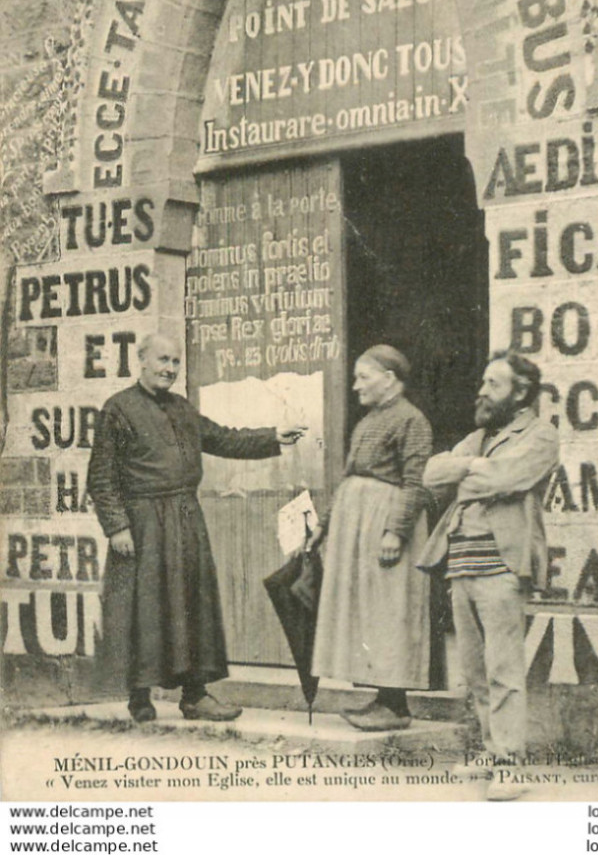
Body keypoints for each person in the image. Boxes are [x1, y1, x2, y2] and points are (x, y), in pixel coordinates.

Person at [87, 333, 305, 723]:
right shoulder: (117, 409)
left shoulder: (183, 409)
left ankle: (195, 696)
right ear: (141, 360)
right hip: (143, 523)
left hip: (186, 518)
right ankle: (139, 697)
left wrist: (273, 436)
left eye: (175, 362)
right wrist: (117, 526)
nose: (169, 369)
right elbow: (101, 478)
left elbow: (224, 438)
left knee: (193, 605)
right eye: (162, 360)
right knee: (144, 607)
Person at [419, 350, 559, 800]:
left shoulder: (540, 435)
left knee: (503, 669)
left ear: (520, 393)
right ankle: (491, 747)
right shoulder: (479, 438)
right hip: (460, 563)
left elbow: (505, 480)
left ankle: (510, 764)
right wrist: (473, 466)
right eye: (482, 381)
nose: (481, 391)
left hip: (501, 565)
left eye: (493, 384)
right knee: (475, 670)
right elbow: (430, 473)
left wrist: (476, 473)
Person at [310, 345, 432, 731]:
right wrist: (324, 524)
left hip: (386, 526)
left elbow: (416, 483)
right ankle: (381, 699)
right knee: (368, 612)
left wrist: (396, 531)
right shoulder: (367, 422)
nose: (354, 385)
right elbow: (348, 478)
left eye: (363, 377)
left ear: (389, 379)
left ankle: (396, 705)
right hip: (357, 525)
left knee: (390, 611)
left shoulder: (412, 420)